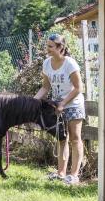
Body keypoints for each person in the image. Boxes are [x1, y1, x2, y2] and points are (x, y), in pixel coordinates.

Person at [35, 33, 86, 185]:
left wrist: (63, 103)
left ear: (60, 47)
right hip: (57, 105)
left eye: (50, 46)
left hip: (73, 104)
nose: (47, 49)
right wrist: (32, 101)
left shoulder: (70, 63)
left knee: (75, 139)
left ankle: (74, 175)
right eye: (47, 46)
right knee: (62, 139)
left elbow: (78, 88)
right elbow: (45, 87)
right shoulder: (46, 63)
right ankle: (61, 174)